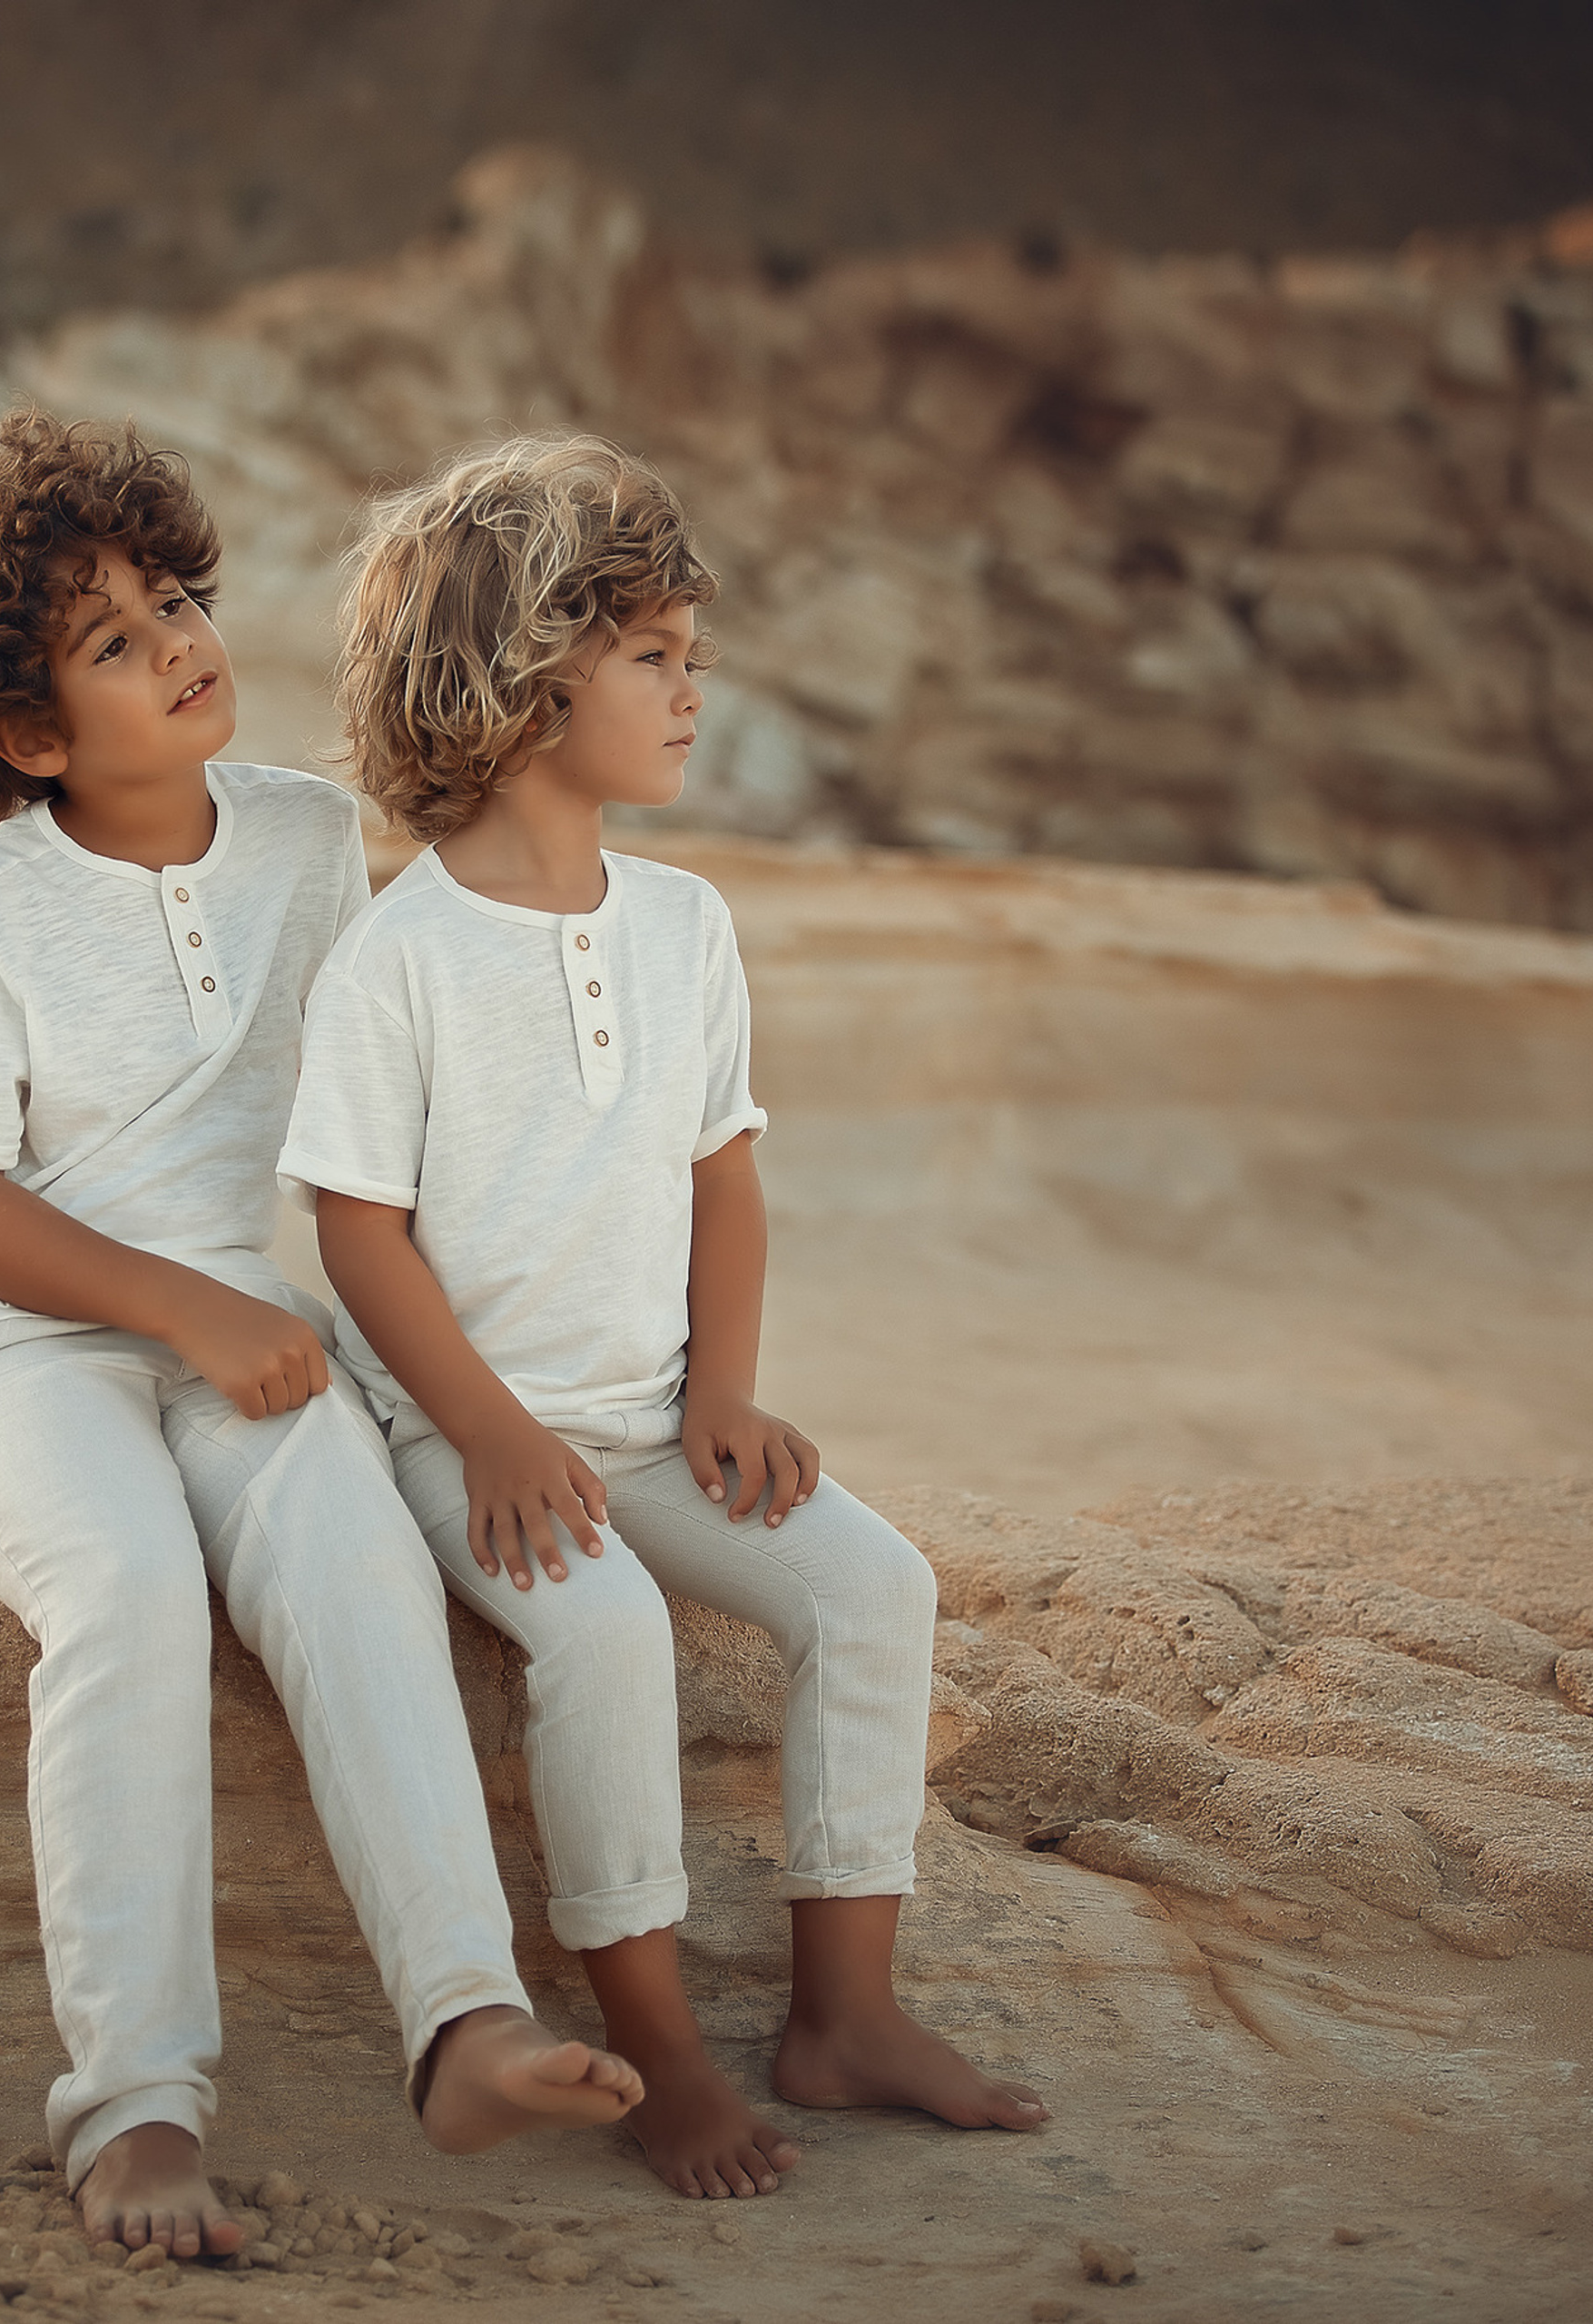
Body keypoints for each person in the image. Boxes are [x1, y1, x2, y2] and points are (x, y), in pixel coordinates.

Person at [0, 409, 643, 2260]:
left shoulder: (298, 835)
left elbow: (386, 1090)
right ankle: (133, 2107)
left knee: (357, 1559)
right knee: (127, 1590)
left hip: (243, 1336)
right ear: (27, 735)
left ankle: (465, 2019)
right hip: (11, 1352)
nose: (179, 643)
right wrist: (188, 1304)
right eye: (111, 640)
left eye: (176, 600)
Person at [279, 435, 1049, 2201]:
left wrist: (726, 1391)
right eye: (653, 656)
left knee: (875, 1585)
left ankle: (845, 2013)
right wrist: (488, 1434)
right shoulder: (399, 958)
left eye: (692, 655)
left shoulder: (688, 926)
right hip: (469, 1440)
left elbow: (725, 1179)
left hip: (650, 1422)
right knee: (608, 1636)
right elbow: (357, 1231)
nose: (694, 691)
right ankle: (661, 2049)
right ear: (525, 677)